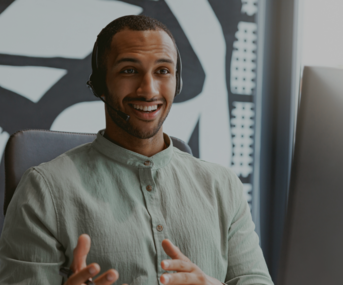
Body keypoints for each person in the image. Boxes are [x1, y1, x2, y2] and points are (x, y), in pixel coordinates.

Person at [0, 15, 273, 285]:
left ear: (177, 83)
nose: (149, 90)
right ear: (99, 84)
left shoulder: (223, 187)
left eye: (163, 71)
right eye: (129, 70)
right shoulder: (43, 190)